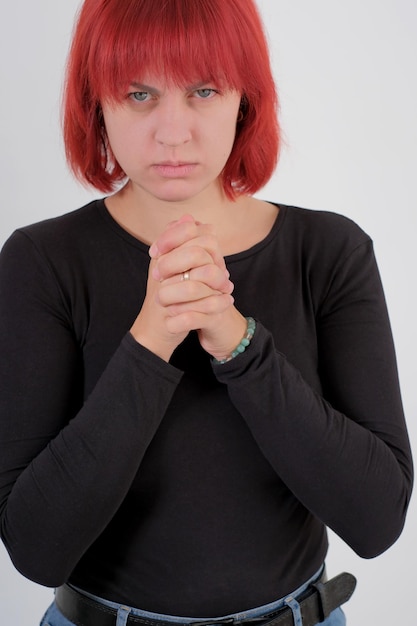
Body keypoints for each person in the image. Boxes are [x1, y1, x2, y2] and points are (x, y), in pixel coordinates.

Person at [0, 0, 413, 625]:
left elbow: (378, 520)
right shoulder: (43, 260)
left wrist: (240, 344)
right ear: (97, 103)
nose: (172, 132)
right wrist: (148, 343)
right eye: (139, 93)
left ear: (245, 99)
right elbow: (35, 549)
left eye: (203, 89)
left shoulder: (329, 252)